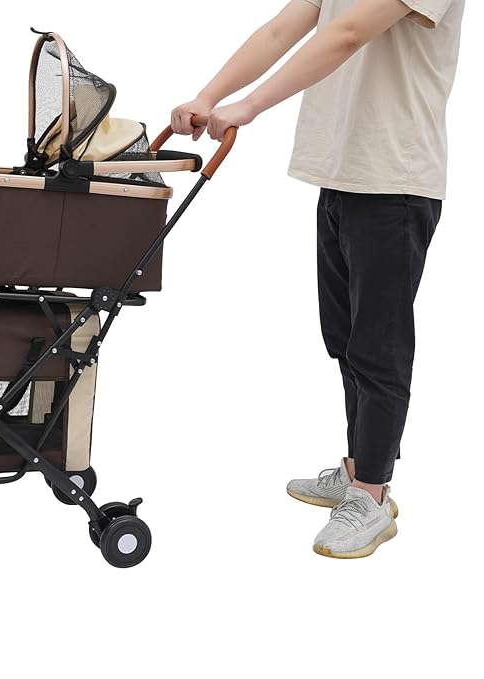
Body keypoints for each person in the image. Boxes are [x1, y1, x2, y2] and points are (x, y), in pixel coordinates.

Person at [171, 0, 465, 558]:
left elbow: (349, 32)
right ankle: (358, 467)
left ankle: (372, 494)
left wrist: (249, 105)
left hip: (394, 181)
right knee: (345, 339)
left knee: (379, 348)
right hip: (340, 171)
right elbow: (281, 28)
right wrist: (208, 96)